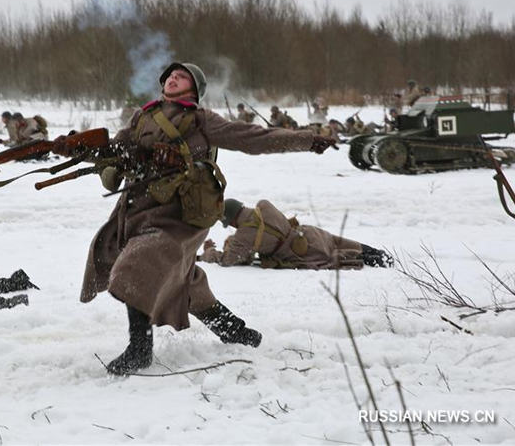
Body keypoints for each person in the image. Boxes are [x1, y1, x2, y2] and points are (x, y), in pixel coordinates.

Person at [52, 62, 337, 375]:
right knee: (182, 281)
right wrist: (74, 146)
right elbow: (114, 149)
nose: (173, 78)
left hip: (182, 215)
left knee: (138, 264)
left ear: (194, 89)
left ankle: (140, 349)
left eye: (182, 76)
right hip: (139, 208)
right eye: (171, 75)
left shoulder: (201, 119)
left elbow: (253, 137)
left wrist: (306, 140)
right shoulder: (143, 116)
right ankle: (235, 331)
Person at [198, 199, 392, 269]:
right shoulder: (263, 205)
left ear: (231, 220)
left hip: (301, 251)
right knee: (341, 243)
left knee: (337, 257)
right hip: (308, 232)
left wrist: (209, 252)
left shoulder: (244, 235)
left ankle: (376, 261)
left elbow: (228, 260)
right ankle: (381, 255)